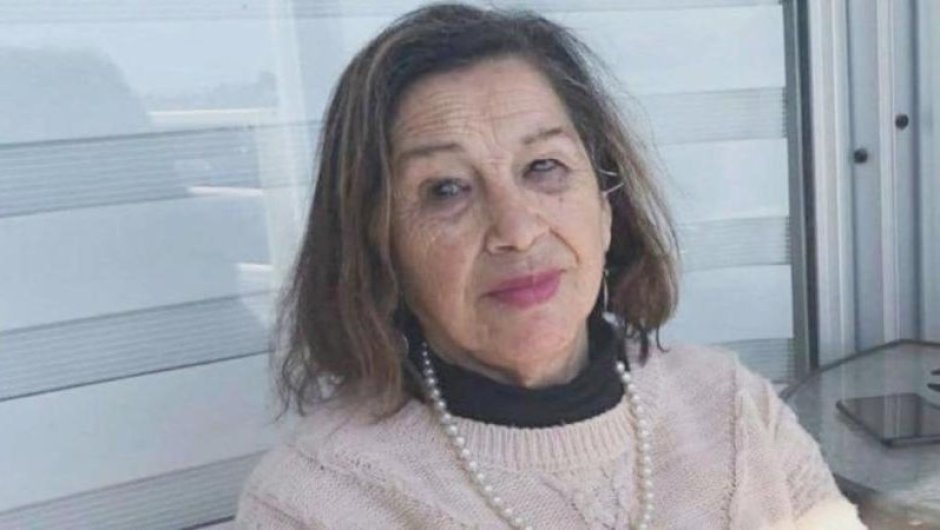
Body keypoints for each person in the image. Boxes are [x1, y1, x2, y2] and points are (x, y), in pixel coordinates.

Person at [235, 4, 867, 529]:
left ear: (606, 206)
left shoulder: (731, 407)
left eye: (544, 167)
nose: (516, 230)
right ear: (378, 248)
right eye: (447, 189)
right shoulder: (313, 502)